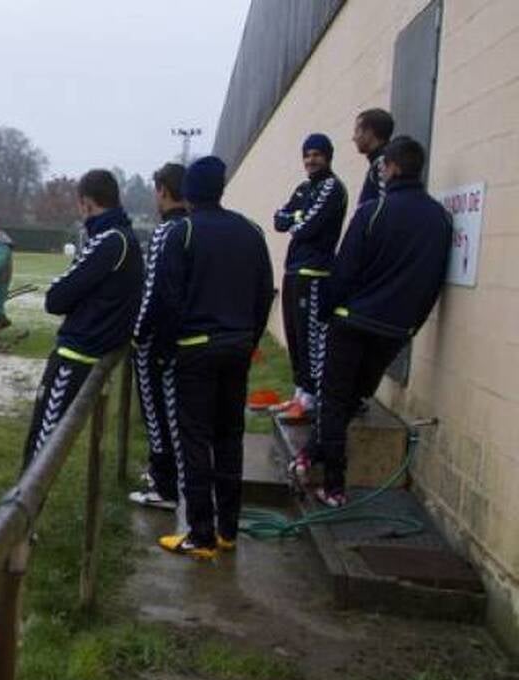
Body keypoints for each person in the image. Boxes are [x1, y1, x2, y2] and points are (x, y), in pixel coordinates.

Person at [292, 137, 451, 507]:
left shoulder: (373, 212)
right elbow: (433, 282)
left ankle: (333, 486)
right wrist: (412, 325)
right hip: (395, 330)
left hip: (353, 322)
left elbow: (344, 270)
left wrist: (327, 311)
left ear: (390, 168)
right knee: (353, 398)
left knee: (334, 401)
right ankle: (310, 455)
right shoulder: (440, 219)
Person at [146, 156, 275, 559]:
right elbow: (264, 291)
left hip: (195, 350)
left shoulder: (181, 233)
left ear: (189, 195)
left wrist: (165, 350)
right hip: (237, 346)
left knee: (195, 439)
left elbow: (166, 299)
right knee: (230, 435)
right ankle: (228, 529)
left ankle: (200, 533)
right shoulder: (250, 232)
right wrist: (249, 338)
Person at [22, 170, 143, 471]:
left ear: (87, 203)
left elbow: (56, 298)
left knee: (42, 441)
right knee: (43, 438)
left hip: (76, 355)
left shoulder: (110, 241)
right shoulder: (121, 236)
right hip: (91, 348)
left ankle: (21, 515)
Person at [271, 134, 347, 419]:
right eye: (306, 155)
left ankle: (313, 397)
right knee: (294, 334)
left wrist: (296, 219)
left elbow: (308, 227)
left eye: (316, 154)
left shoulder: (332, 187)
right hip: (293, 270)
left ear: (327, 156)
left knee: (310, 336)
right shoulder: (304, 188)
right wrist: (296, 217)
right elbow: (279, 219)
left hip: (315, 273)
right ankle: (299, 394)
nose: (310, 160)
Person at [129, 162, 188, 510]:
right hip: (183, 340)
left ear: (163, 191)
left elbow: (153, 293)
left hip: (159, 343)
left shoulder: (166, 232)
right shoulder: (192, 228)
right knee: (174, 412)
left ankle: (164, 485)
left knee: (156, 412)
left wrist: (138, 336)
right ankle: (170, 478)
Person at [352, 108, 394, 206]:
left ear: (369, 132)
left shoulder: (382, 163)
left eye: (357, 131)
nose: (354, 138)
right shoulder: (382, 162)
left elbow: (385, 206)